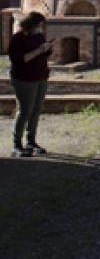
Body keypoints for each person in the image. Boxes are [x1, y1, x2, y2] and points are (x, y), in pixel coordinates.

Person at [8, 11, 52, 157]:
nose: (41, 28)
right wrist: (39, 50)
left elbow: (43, 54)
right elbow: (21, 59)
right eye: (39, 25)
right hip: (24, 79)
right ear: (31, 25)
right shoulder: (17, 39)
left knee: (36, 110)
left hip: (40, 76)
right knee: (25, 111)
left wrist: (47, 49)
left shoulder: (38, 36)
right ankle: (16, 144)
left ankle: (31, 141)